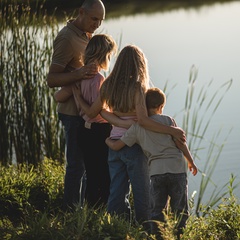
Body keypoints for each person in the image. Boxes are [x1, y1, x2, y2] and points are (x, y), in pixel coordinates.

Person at [72, 44, 186, 224]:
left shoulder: (108, 84)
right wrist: (171, 129)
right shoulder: (137, 87)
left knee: (117, 189)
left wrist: (81, 100)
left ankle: (117, 224)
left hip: (115, 144)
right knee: (142, 190)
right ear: (140, 65)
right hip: (134, 146)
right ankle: (146, 226)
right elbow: (142, 120)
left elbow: (94, 112)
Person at [105, 87, 198, 238]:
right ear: (161, 107)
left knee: (157, 209)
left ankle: (157, 235)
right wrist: (190, 161)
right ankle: (180, 235)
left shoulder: (137, 127)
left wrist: (108, 140)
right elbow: (181, 143)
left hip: (156, 173)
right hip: (177, 170)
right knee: (180, 208)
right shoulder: (168, 121)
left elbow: (116, 146)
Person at [46, 0, 105, 209]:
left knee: (89, 164)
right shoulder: (67, 38)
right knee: (76, 166)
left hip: (86, 113)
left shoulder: (85, 35)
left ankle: (85, 209)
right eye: (94, 18)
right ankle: (70, 212)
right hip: (72, 113)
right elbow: (51, 79)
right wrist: (79, 74)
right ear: (81, 12)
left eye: (101, 20)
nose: (98, 24)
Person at [54, 34, 118, 207]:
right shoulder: (100, 80)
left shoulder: (79, 76)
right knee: (103, 171)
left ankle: (88, 207)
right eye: (110, 56)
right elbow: (95, 111)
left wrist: (76, 93)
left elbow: (58, 96)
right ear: (104, 55)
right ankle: (101, 208)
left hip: (84, 129)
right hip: (100, 130)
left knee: (89, 171)